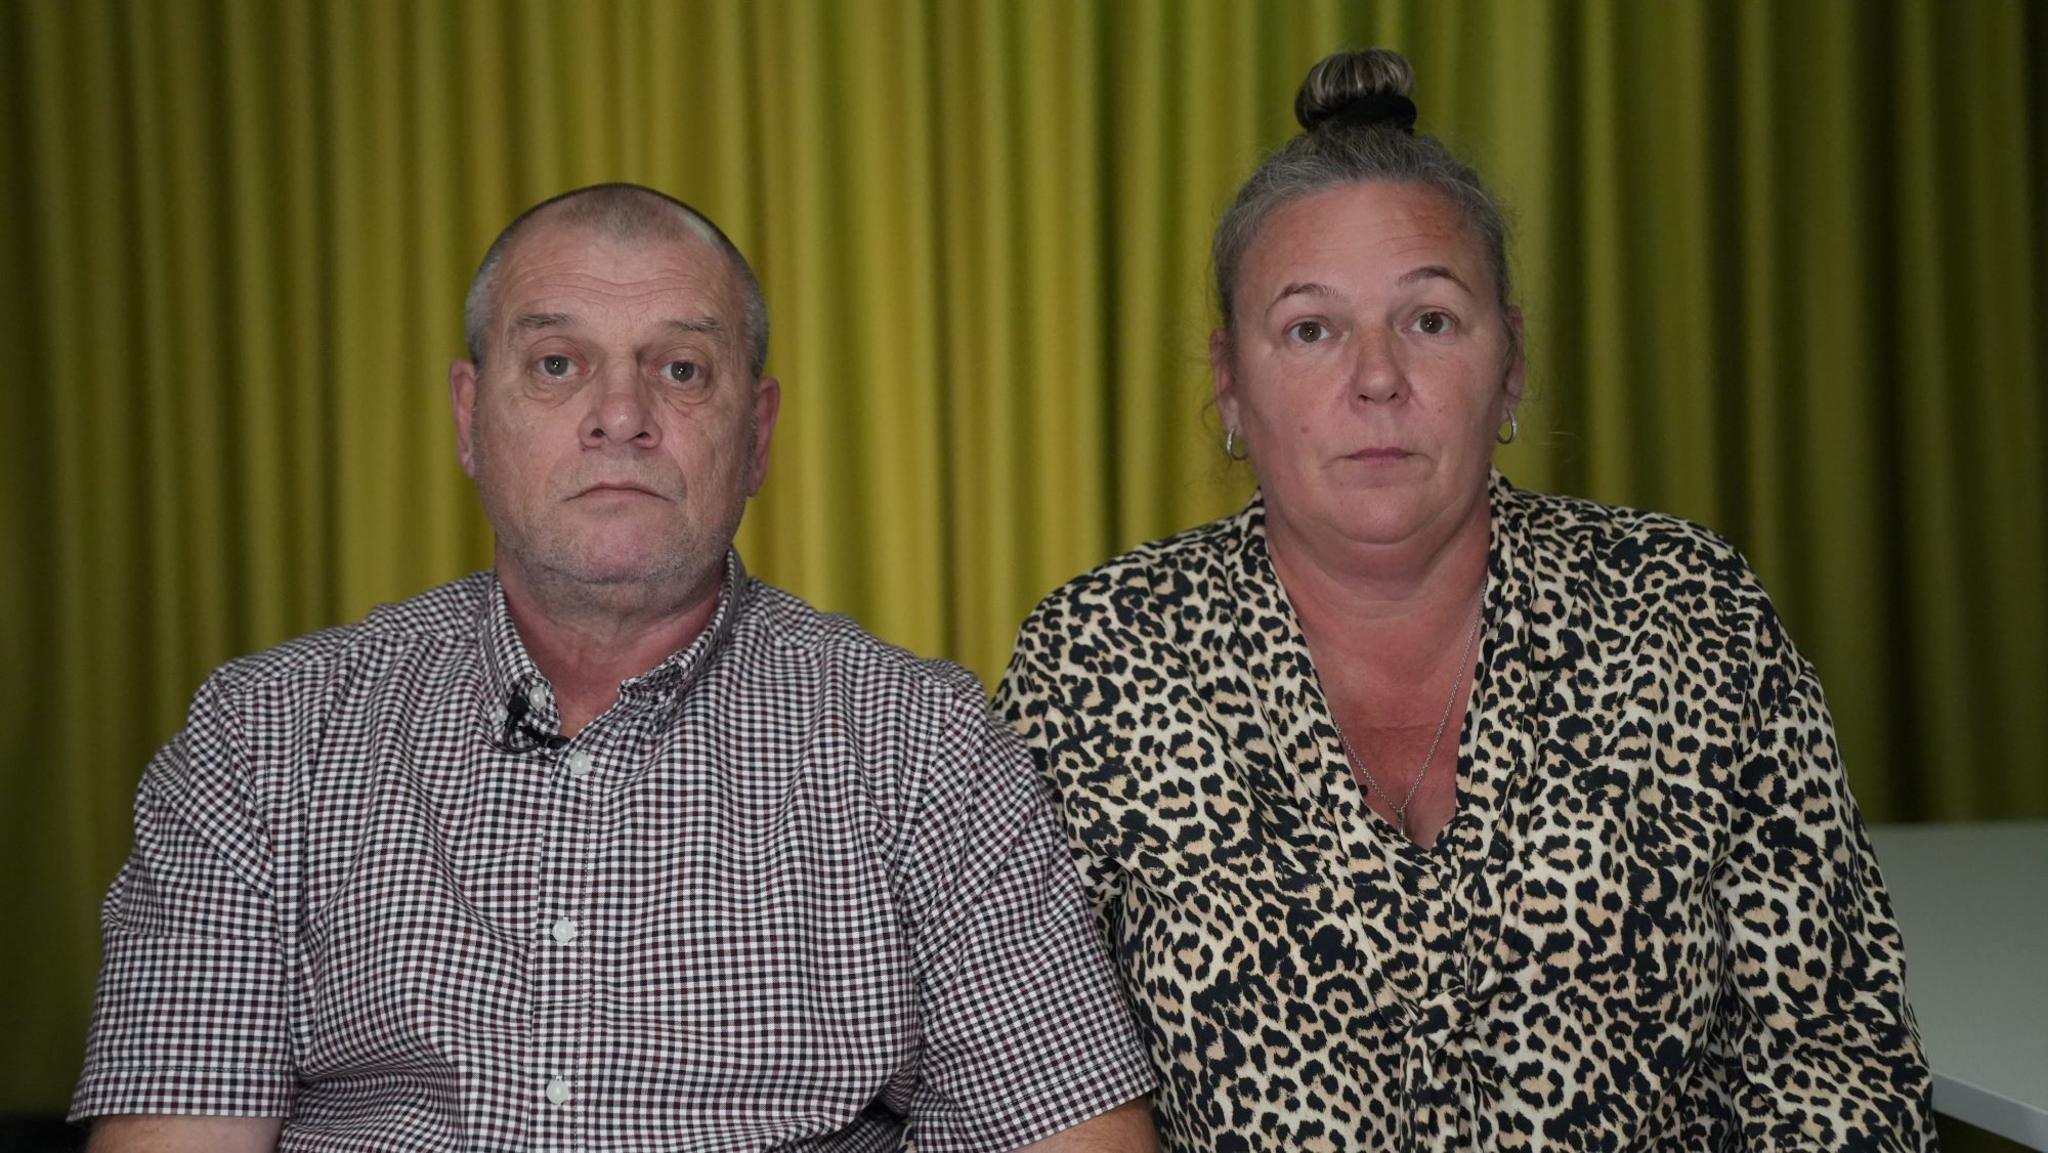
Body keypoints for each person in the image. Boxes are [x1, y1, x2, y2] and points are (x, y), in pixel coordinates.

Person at [72, 183, 1158, 1153]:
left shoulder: (925, 742)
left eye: (681, 368)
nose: (622, 415)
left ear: (759, 432)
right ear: (467, 415)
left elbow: (1070, 1134)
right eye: (557, 363)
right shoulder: (263, 737)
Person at [996, 50, 1934, 1151]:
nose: (1376, 376)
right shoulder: (1098, 658)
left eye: (1429, 319)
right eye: (1309, 329)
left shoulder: (1688, 611)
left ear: (1511, 364)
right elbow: (1023, 1081)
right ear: (1229, 387)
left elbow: (1835, 1060)